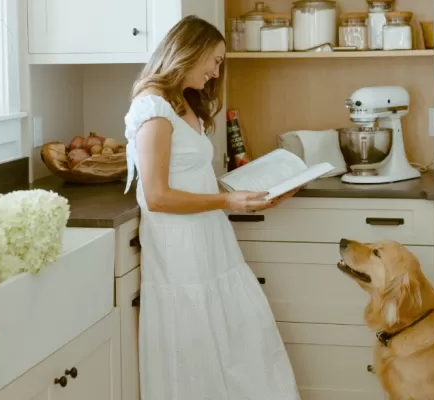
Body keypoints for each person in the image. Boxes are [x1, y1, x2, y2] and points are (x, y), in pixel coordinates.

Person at [123, 15, 302, 400]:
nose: (216, 71)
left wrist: (257, 191)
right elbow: (156, 196)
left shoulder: (182, 101)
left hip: (208, 237)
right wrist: (227, 200)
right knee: (197, 343)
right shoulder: (153, 105)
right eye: (216, 60)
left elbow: (195, 179)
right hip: (179, 247)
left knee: (234, 337)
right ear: (192, 51)